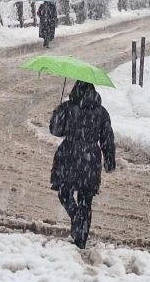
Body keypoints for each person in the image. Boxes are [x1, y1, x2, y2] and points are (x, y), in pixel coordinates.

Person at [49, 81, 116, 249]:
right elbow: (107, 139)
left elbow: (56, 131)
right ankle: (81, 238)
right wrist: (109, 161)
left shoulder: (68, 108)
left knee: (64, 193)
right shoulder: (101, 112)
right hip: (91, 159)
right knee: (86, 200)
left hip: (69, 155)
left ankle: (75, 218)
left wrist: (57, 113)